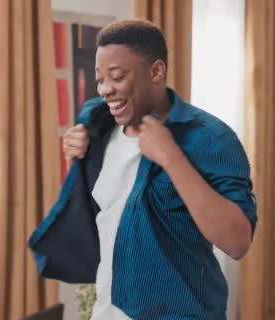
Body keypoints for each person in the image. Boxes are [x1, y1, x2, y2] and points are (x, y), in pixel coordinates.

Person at [29, 19, 257, 320]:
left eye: (117, 76)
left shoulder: (210, 138)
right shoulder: (97, 122)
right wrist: (76, 156)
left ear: (156, 71)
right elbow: (106, 211)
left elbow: (237, 241)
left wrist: (172, 158)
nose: (106, 90)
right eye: (100, 79)